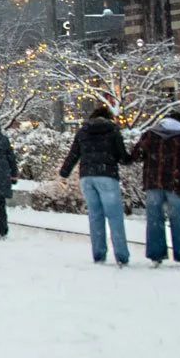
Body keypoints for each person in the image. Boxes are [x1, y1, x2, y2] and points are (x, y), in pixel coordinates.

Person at [58, 104, 132, 266]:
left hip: (87, 177)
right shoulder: (112, 130)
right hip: (107, 176)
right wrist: (134, 157)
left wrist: (64, 173)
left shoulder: (83, 131)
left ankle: (98, 254)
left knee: (95, 216)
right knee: (114, 217)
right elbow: (122, 157)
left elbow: (73, 154)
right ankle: (121, 255)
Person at [130, 109, 180, 268]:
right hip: (176, 185)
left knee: (154, 220)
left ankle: (156, 255)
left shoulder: (151, 135)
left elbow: (137, 154)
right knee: (179, 220)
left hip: (153, 183)